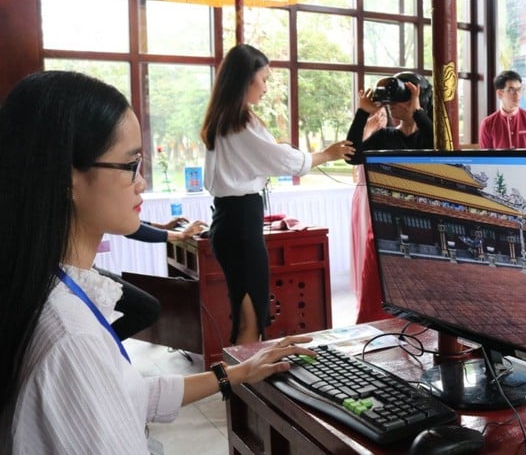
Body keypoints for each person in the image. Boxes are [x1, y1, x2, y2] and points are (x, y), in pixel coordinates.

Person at [0, 70, 317, 453]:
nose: (141, 182)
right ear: (68, 180)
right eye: (130, 164)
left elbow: (129, 395)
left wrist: (236, 373)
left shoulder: (47, 288)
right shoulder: (73, 340)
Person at [201, 44, 355, 345]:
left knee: (247, 309)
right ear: (246, 80)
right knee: (251, 317)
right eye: (265, 79)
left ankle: (242, 386)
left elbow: (268, 157)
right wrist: (328, 153)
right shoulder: (240, 123)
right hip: (241, 224)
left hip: (228, 220)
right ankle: (244, 387)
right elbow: (285, 161)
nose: (267, 88)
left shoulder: (221, 120)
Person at [346, 72, 434, 323]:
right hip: (384, 230)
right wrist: (363, 112)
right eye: (392, 102)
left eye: (400, 102)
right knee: (375, 306)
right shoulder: (386, 136)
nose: (394, 107)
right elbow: (353, 155)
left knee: (422, 312)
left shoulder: (428, 137)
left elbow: (443, 149)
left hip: (421, 232)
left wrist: (417, 111)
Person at [102, 218, 207, 340]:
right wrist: (180, 235)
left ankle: (105, 346)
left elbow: (127, 223)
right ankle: (103, 348)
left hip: (83, 269)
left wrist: (162, 227)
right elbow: (127, 226)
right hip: (81, 273)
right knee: (148, 309)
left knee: (145, 299)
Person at [479, 70, 526, 149]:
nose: (517, 94)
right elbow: (486, 159)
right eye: (511, 90)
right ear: (500, 94)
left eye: (519, 89)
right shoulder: (487, 124)